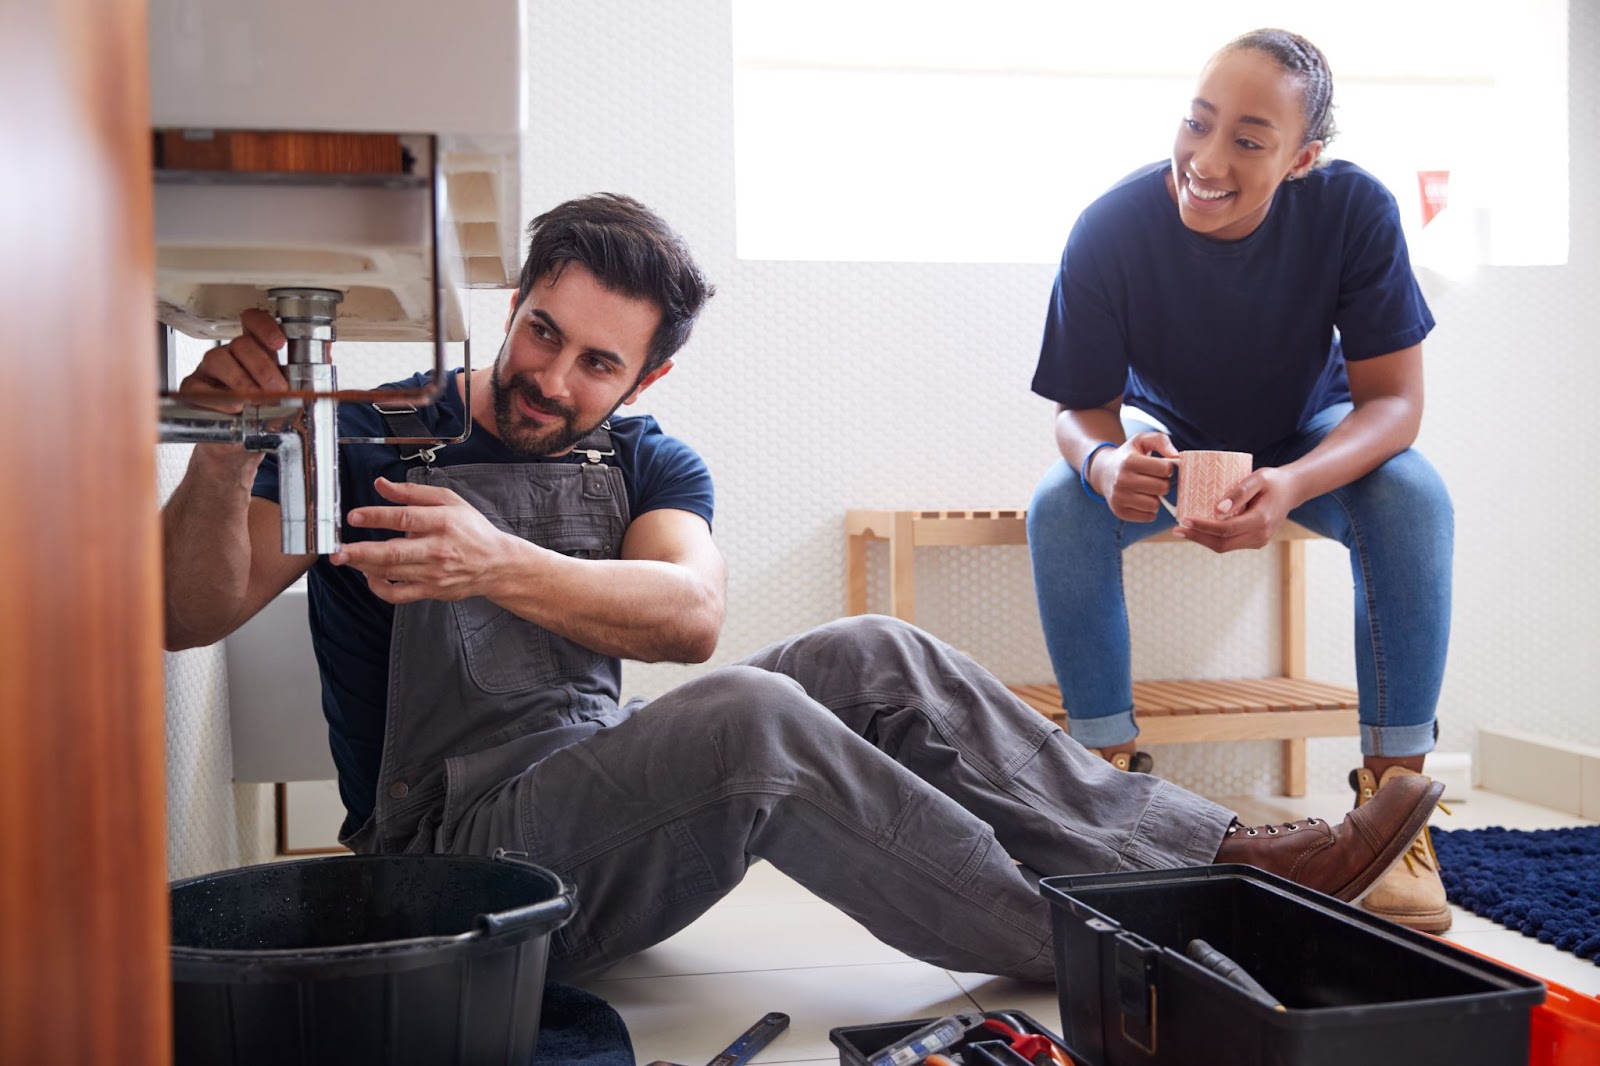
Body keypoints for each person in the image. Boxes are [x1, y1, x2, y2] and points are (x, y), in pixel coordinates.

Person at [164, 192, 1444, 983]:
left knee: (875, 649)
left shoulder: (647, 460)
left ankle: (1224, 860)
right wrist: (237, 443)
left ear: (645, 381)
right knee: (754, 727)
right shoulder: (376, 433)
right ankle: (1121, 950)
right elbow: (187, 611)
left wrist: (499, 560)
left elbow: (687, 616)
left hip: (588, 807)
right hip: (451, 866)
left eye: (598, 361)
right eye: (542, 332)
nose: (554, 375)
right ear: (514, 305)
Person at [1025, 29, 1453, 932]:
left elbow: (1394, 406)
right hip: (1165, 438)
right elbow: (1080, 409)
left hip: (1309, 434)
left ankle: (1397, 805)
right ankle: (1101, 805)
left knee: (1415, 496)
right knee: (1060, 506)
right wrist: (1104, 465)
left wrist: (1292, 482)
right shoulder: (1111, 225)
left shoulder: (1355, 211)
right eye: (1197, 123)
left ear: (1303, 158)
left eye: (1249, 141)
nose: (1206, 159)